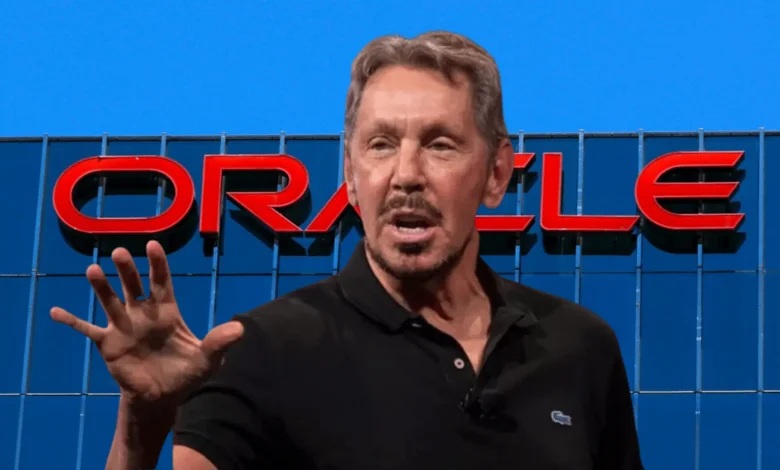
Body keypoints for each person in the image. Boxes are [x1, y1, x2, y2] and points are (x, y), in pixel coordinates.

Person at [51, 31, 644, 469]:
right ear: (351, 176)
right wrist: (143, 424)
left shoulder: (579, 347)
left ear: (496, 173)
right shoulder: (259, 350)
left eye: (440, 144)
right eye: (381, 145)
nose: (406, 174)